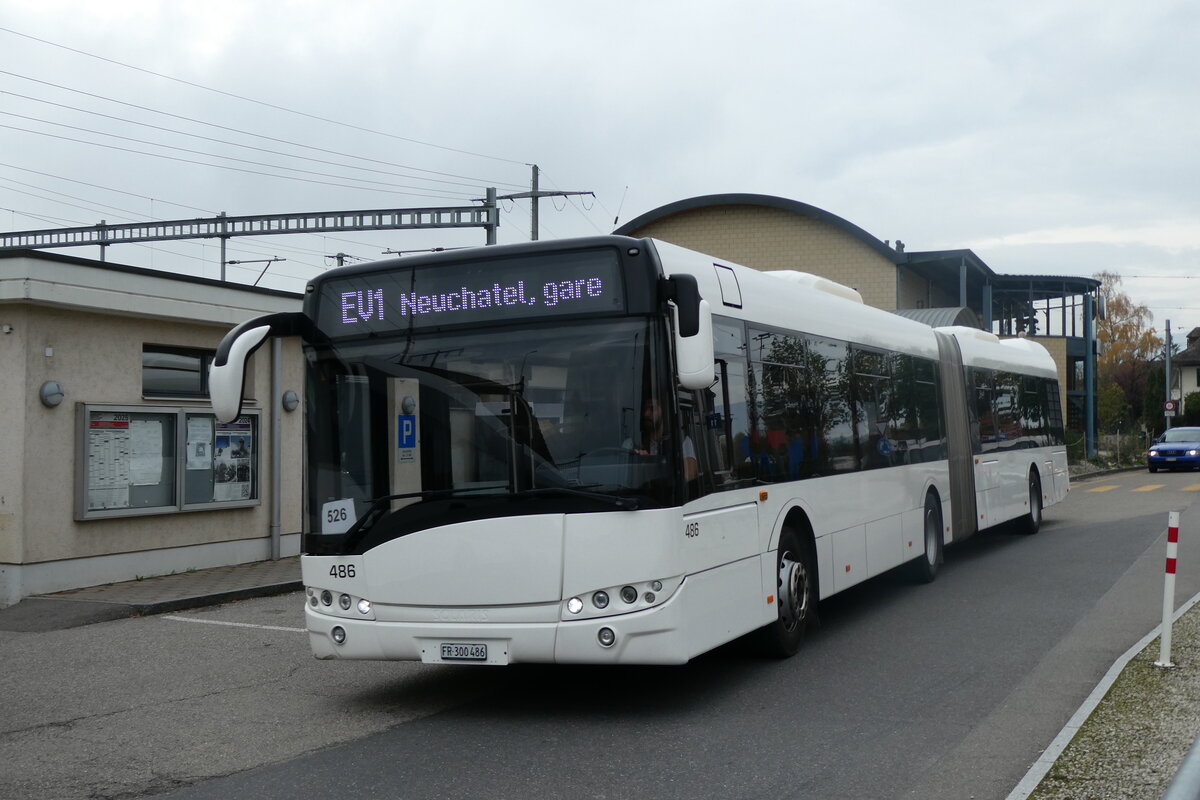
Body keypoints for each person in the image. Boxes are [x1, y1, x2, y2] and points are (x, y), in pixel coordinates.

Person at [625, 396, 698, 481]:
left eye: (652, 409)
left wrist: (653, 464)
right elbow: (621, 473)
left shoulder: (682, 441)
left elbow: (690, 476)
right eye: (644, 410)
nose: (646, 414)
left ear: (664, 411)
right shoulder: (631, 443)